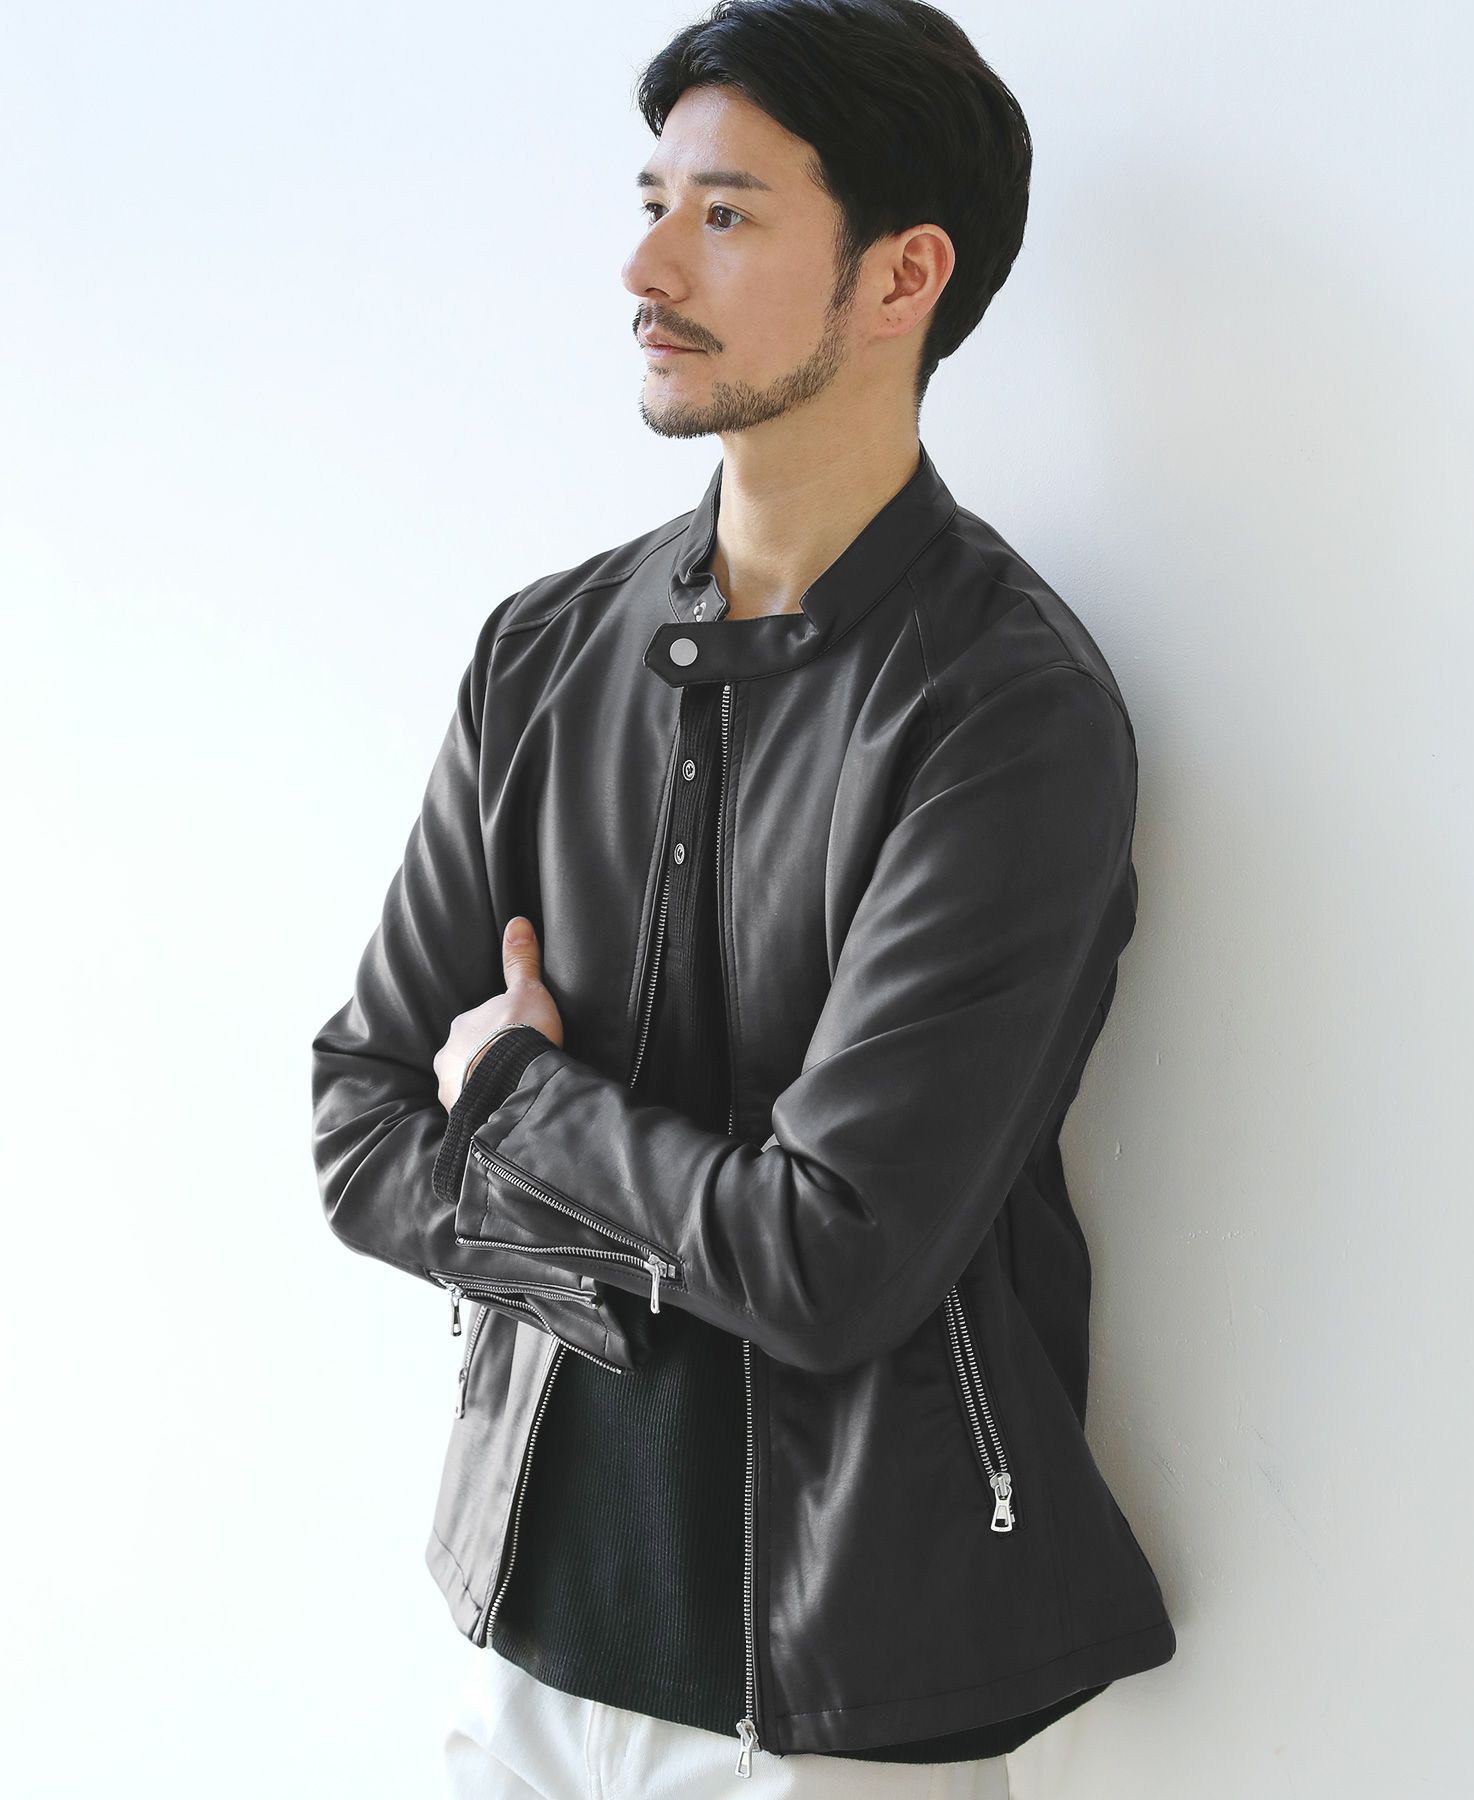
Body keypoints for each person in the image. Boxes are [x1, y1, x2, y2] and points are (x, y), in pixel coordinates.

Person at [310, 2, 1177, 1793]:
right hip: (526, 1645)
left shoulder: (1003, 712)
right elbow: (363, 1123)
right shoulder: (546, 651)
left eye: (724, 215)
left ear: (901, 275)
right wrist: (653, 1250)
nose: (646, 267)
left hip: (846, 1704)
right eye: (651, 204)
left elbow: (829, 1261)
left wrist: (523, 1101)